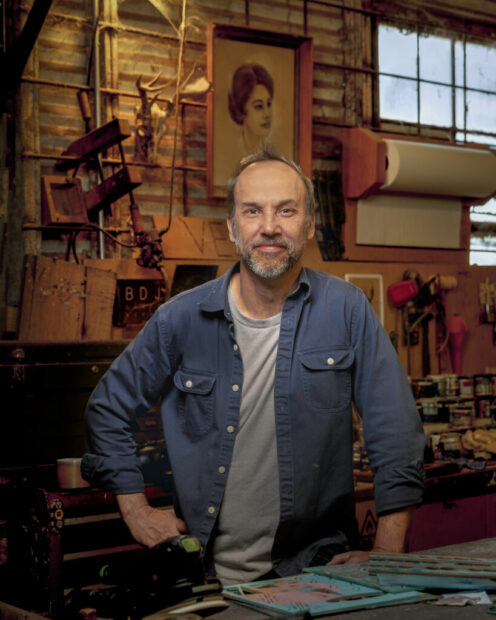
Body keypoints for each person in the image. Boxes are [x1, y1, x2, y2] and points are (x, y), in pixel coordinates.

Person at [82, 148, 425, 586]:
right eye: (252, 211)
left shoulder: (347, 310)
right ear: (231, 226)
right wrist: (136, 511)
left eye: (286, 210)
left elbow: (395, 431)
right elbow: (106, 409)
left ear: (310, 223)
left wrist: (387, 553)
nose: (269, 226)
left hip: (316, 575)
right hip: (205, 581)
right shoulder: (180, 319)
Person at [228, 64, 274, 154]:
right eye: (259, 106)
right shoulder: (231, 151)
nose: (267, 114)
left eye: (268, 104)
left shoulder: (272, 154)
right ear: (241, 108)